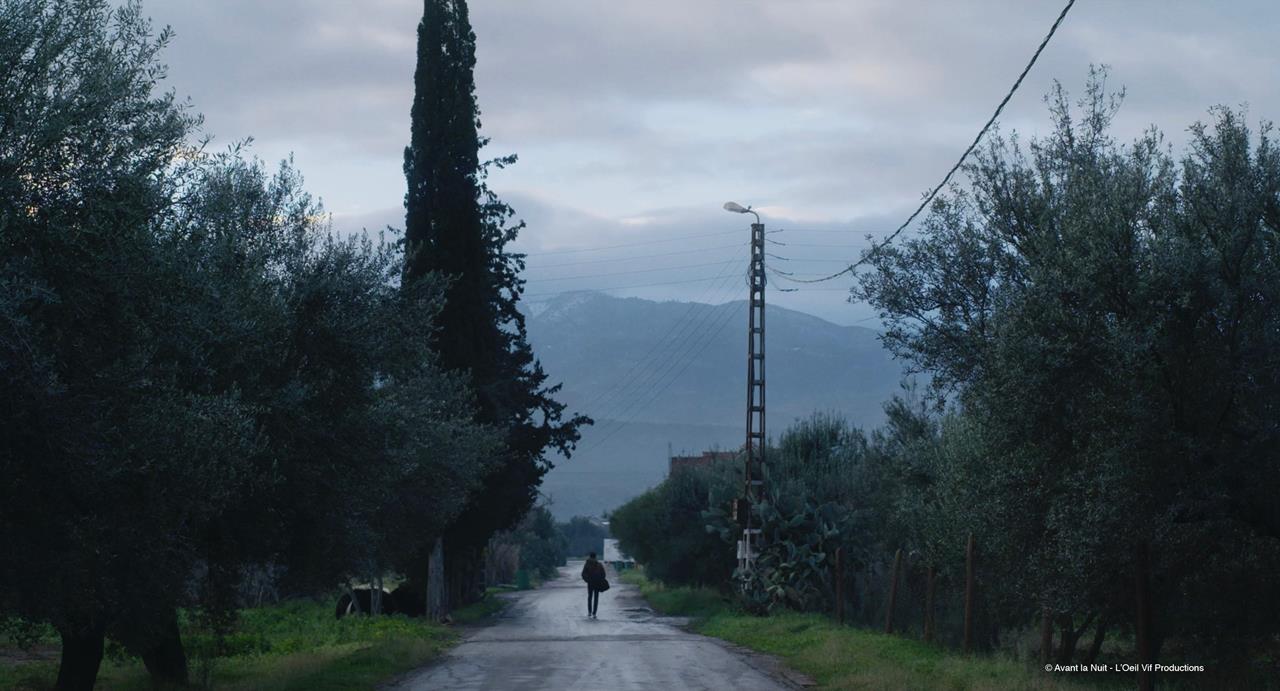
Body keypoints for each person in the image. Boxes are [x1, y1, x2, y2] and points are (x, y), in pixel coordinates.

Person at [581, 552, 606, 618]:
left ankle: (589, 612)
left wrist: (587, 580)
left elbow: (583, 574)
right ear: (595, 557)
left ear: (589, 556)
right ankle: (594, 613)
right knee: (596, 598)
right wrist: (600, 580)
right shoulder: (599, 564)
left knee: (590, 597)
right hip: (597, 583)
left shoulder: (587, 564)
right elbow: (603, 574)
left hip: (590, 583)